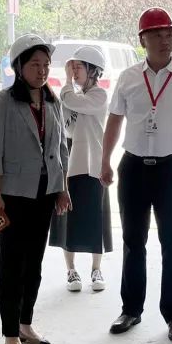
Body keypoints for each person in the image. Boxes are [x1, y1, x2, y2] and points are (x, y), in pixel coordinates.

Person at [101, 7, 172, 343]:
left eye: (170, 34)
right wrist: (105, 161)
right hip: (133, 167)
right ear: (142, 40)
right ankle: (131, 309)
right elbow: (114, 121)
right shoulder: (128, 78)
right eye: (158, 35)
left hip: (170, 168)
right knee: (133, 241)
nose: (166, 40)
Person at [0, 34, 72, 344]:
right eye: (35, 64)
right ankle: (10, 336)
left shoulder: (53, 101)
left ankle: (25, 323)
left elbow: (61, 148)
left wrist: (63, 187)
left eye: (46, 64)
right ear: (19, 66)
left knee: (34, 262)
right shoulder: (3, 102)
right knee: (11, 264)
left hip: (45, 192)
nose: (42, 70)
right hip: (12, 195)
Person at [49, 45, 113, 293]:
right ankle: (71, 270)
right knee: (68, 218)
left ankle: (96, 269)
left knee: (96, 216)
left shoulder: (99, 95)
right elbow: (64, 122)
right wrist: (67, 86)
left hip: (94, 163)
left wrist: (66, 83)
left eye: (79, 67)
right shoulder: (70, 95)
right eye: (72, 67)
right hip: (70, 161)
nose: (74, 71)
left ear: (93, 70)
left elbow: (73, 101)